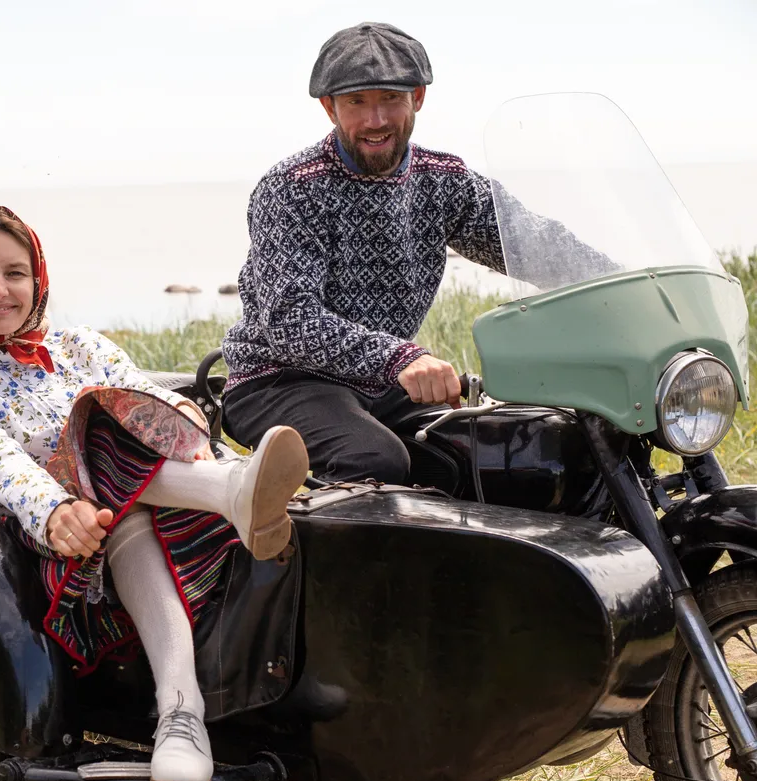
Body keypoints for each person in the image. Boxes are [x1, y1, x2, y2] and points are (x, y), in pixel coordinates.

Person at [0, 206, 308, 781]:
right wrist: (55, 510)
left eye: (15, 273)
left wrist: (184, 417)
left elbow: (141, 393)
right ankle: (233, 494)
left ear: (38, 280)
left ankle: (184, 716)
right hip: (68, 547)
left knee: (128, 422)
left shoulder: (79, 344)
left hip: (156, 514)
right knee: (97, 423)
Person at [220, 22, 610, 485]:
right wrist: (399, 358)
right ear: (329, 107)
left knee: (523, 449)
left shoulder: (443, 180)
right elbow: (290, 319)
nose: (376, 120)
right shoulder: (292, 188)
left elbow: (532, 243)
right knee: (375, 461)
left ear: (418, 97)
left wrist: (629, 286)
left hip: (383, 385)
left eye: (390, 98)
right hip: (280, 381)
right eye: (356, 102)